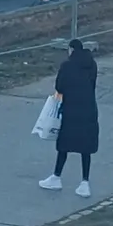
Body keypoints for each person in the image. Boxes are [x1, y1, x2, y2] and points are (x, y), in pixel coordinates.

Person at [39, 39, 99, 198]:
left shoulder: (67, 66)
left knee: (64, 144)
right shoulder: (92, 64)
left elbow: (59, 87)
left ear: (71, 49)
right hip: (89, 109)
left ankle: (56, 177)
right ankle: (85, 182)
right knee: (86, 148)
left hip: (71, 109)